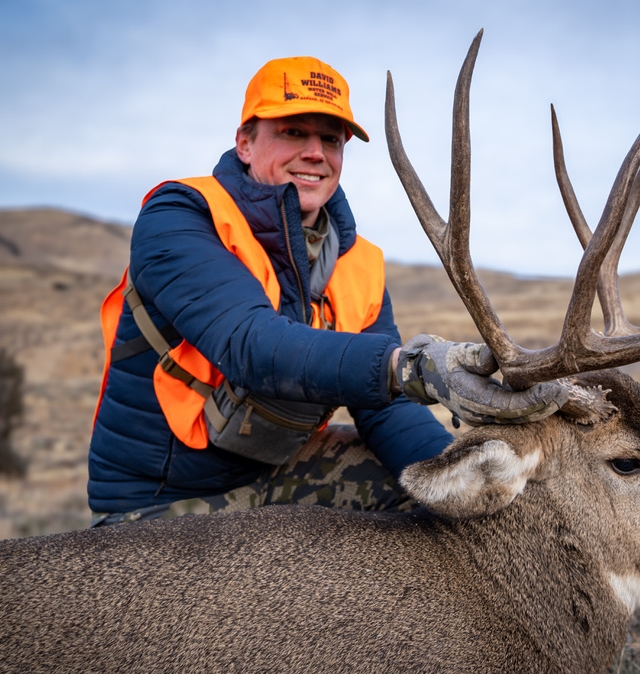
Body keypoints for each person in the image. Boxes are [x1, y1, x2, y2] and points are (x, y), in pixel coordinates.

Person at [87, 56, 567, 525]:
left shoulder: (359, 264)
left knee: (444, 514)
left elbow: (384, 409)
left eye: (331, 139)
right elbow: (252, 345)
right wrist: (412, 369)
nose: (315, 152)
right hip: (160, 509)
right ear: (245, 143)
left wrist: (461, 477)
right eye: (293, 132)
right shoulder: (181, 217)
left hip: (274, 475)